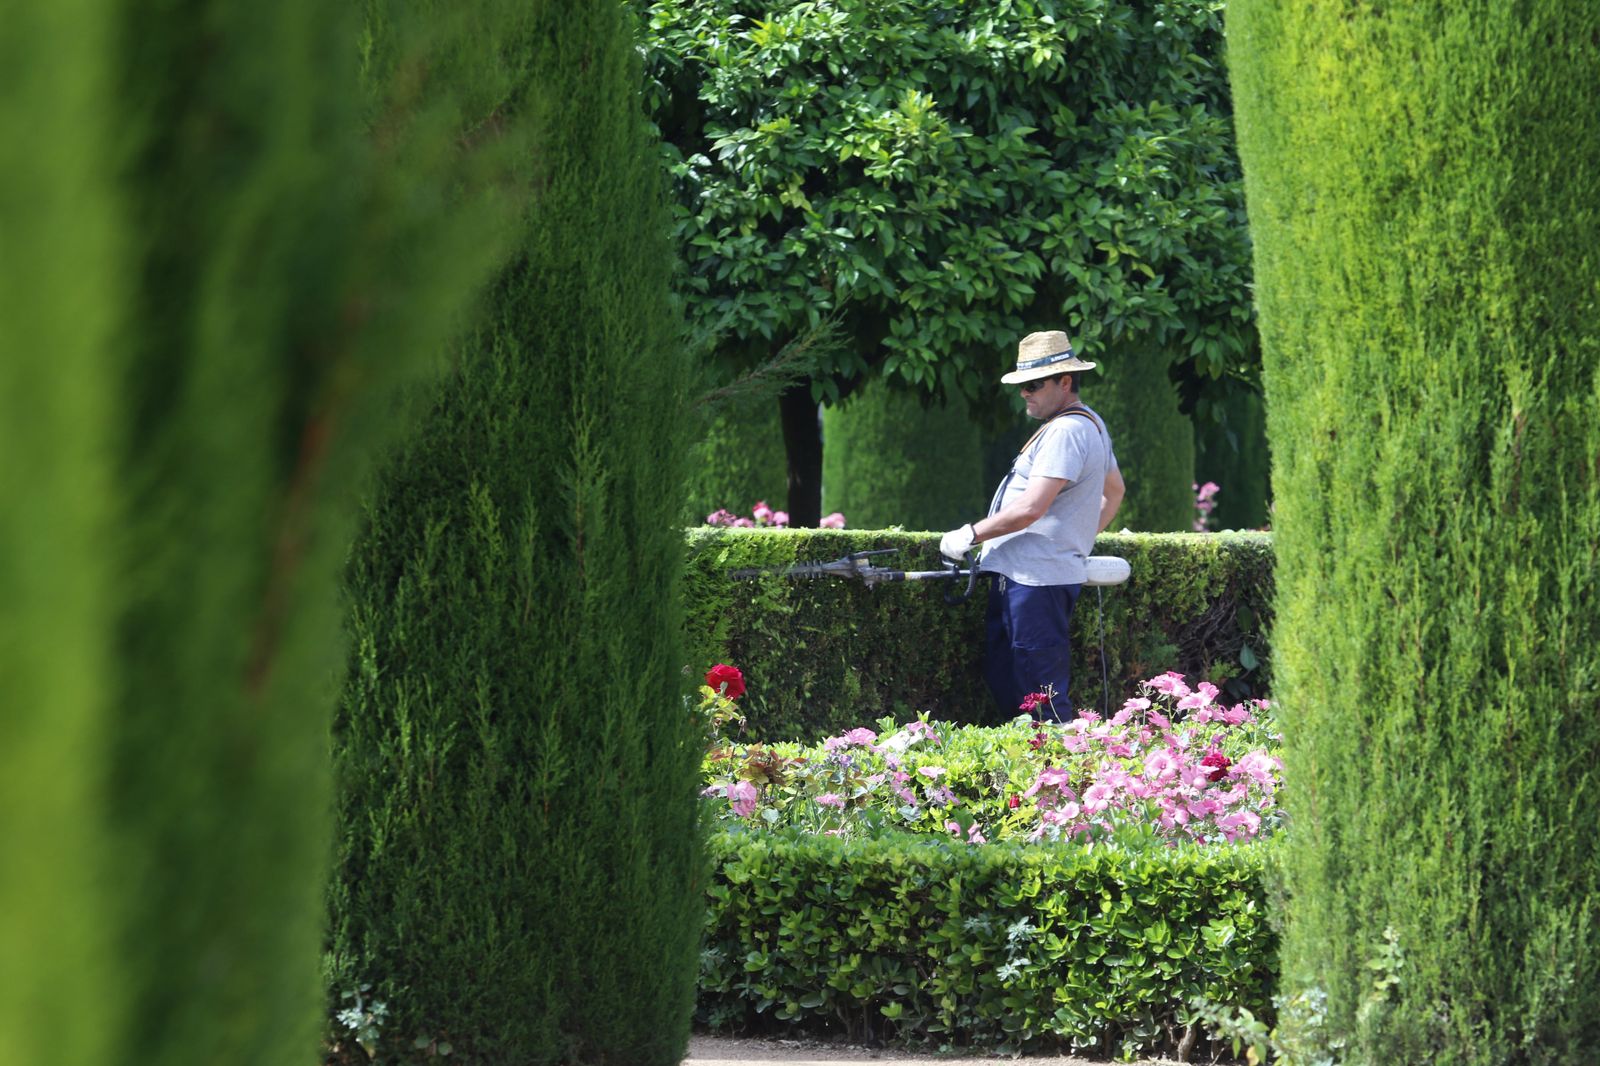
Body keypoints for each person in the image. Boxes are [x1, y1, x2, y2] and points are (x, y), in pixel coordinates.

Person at [939, 331, 1124, 721]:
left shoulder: (1066, 430)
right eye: (1022, 385)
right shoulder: (1090, 423)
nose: (1024, 393)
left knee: (1040, 699)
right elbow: (1115, 492)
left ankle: (1062, 761)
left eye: (1034, 385)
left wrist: (970, 534)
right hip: (1032, 578)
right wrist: (1074, 541)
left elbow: (1031, 507)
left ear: (1065, 382)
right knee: (1018, 691)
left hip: (1035, 583)